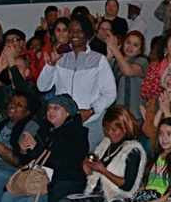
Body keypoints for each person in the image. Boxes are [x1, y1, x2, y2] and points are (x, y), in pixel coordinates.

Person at [36, 17, 117, 151]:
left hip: (89, 122)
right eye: (71, 31)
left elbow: (110, 93)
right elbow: (42, 86)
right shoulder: (60, 57)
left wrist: (92, 110)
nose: (74, 34)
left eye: (79, 31)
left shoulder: (98, 59)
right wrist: (51, 63)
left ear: (87, 34)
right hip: (63, 123)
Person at [107, 30, 148, 125]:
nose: (130, 47)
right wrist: (109, 56)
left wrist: (115, 50)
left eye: (135, 45)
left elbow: (128, 71)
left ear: (140, 50)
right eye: (128, 42)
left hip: (133, 116)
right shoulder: (114, 61)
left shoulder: (142, 61)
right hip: (114, 114)